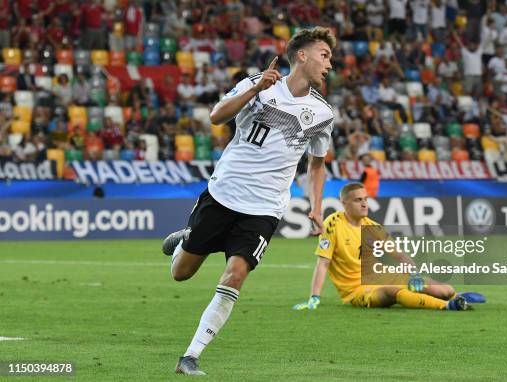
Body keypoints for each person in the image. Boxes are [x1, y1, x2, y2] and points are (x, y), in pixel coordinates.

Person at [160, 27, 336, 375]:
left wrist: (315, 205)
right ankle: (186, 239)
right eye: (324, 55)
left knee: (236, 274)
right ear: (302, 55)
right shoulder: (259, 84)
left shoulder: (322, 113)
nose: (329, 63)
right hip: (224, 194)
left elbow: (317, 165)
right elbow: (216, 116)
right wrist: (256, 89)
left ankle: (191, 355)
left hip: (265, 209)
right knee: (181, 273)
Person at [293, 183, 484, 311]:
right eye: (358, 200)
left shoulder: (372, 227)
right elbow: (323, 263)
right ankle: (448, 307)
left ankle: (456, 296)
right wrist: (315, 297)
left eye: (365, 199)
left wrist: (414, 274)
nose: (364, 203)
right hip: (357, 290)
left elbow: (400, 255)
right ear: (344, 204)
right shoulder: (332, 223)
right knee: (393, 292)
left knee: (443, 290)